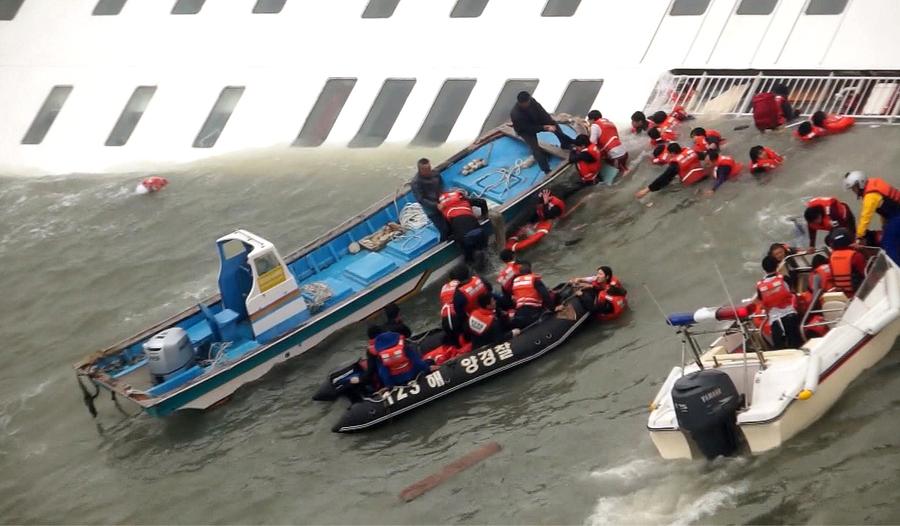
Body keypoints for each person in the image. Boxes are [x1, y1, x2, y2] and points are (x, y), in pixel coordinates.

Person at [510, 91, 574, 174]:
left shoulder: (532, 101)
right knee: (535, 149)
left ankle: (565, 144)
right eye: (527, 102)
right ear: (521, 103)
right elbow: (528, 129)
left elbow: (542, 112)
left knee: (555, 125)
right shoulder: (516, 114)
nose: (529, 103)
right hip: (525, 130)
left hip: (535, 120)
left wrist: (549, 122)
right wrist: (544, 128)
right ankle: (546, 170)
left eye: (529, 101)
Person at [844, 170, 900, 263]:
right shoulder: (873, 183)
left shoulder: (870, 197)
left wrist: (859, 237)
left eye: (854, 188)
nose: (853, 191)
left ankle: (897, 269)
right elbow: (886, 208)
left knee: (888, 245)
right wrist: (884, 225)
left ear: (860, 184)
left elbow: (865, 217)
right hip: (894, 216)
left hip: (897, 217)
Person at [756, 255, 803, 350]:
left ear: (764, 269)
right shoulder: (784, 279)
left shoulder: (760, 286)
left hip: (775, 323)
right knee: (797, 345)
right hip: (791, 317)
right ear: (777, 266)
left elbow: (762, 303)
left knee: (780, 348)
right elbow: (793, 294)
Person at [437, 189, 490, 266]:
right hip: (479, 232)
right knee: (483, 251)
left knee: (469, 259)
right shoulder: (465, 201)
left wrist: (446, 239)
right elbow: (482, 202)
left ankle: (471, 264)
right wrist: (484, 215)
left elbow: (446, 230)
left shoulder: (445, 211)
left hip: (464, 238)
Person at [634, 142, 704, 198]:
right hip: (703, 176)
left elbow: (663, 177)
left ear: (672, 153)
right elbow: (705, 156)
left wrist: (646, 190)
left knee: (667, 185)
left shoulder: (675, 164)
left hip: (692, 184)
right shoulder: (691, 152)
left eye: (670, 153)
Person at [410, 158, 449, 240]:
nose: (428, 171)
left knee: (452, 223)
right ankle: (443, 243)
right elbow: (421, 199)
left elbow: (442, 185)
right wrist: (436, 205)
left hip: (442, 201)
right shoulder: (416, 182)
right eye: (426, 170)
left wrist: (444, 195)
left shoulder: (435, 173)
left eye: (429, 168)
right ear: (420, 170)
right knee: (444, 230)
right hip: (432, 210)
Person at [509, 261, 554, 329]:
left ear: (520, 273)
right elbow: (546, 296)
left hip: (519, 314)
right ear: (530, 271)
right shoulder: (534, 280)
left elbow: (514, 299)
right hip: (533, 313)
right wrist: (553, 309)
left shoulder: (515, 282)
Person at [587, 110, 629, 174]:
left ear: (592, 119)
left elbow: (592, 143)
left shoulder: (594, 125)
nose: (589, 122)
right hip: (624, 153)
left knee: (623, 173)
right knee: (624, 169)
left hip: (616, 156)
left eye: (589, 120)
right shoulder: (610, 122)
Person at [828, 228, 867, 296]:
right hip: (859, 294)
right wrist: (863, 250)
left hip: (842, 295)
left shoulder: (832, 257)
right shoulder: (856, 256)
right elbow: (867, 273)